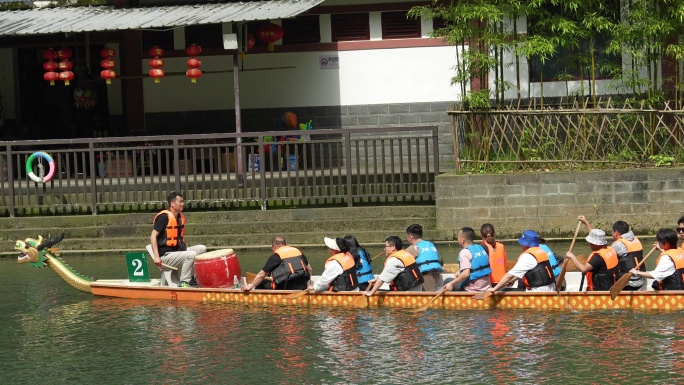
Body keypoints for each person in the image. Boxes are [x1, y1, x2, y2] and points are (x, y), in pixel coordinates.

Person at [149, 191, 206, 287]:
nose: (182, 204)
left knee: (202, 248)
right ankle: (184, 282)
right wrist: (156, 257)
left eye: (183, 201)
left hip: (178, 252)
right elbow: (153, 236)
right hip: (165, 256)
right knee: (191, 255)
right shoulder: (164, 217)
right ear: (172, 203)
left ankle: (193, 278)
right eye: (180, 201)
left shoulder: (179, 218)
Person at [487, 230, 556, 293]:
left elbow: (509, 275)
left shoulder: (527, 256)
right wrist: (512, 281)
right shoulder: (541, 251)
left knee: (503, 290)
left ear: (525, 244)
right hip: (551, 289)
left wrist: (494, 288)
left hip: (538, 292)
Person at [241, 235, 312, 291]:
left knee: (262, 283)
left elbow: (261, 275)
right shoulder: (297, 251)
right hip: (302, 286)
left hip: (286, 287)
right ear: (285, 244)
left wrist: (250, 286)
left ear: (274, 247)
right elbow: (310, 269)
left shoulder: (276, 256)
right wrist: (308, 285)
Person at [443, 227, 492, 292]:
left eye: (458, 237)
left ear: (463, 240)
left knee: (448, 281)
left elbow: (466, 274)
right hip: (487, 287)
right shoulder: (482, 248)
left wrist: (451, 284)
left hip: (473, 290)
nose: (457, 240)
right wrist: (460, 272)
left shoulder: (464, 252)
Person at [405, 224, 443, 291]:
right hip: (436, 277)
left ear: (410, 237)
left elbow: (399, 261)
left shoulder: (413, 248)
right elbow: (441, 262)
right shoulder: (431, 245)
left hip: (425, 279)